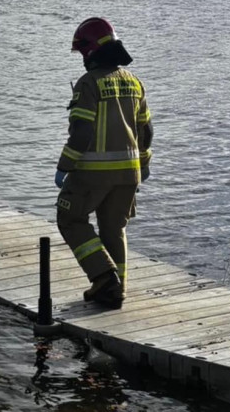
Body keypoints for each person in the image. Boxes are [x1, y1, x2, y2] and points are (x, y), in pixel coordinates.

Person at [54, 17, 153, 310]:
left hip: (92, 173)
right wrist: (143, 164)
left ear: (91, 51)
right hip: (129, 174)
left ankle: (103, 276)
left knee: (70, 218)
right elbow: (145, 132)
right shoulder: (134, 81)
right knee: (114, 229)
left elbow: (82, 132)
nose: (83, 59)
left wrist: (65, 165)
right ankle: (114, 291)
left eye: (83, 53)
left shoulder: (89, 83)